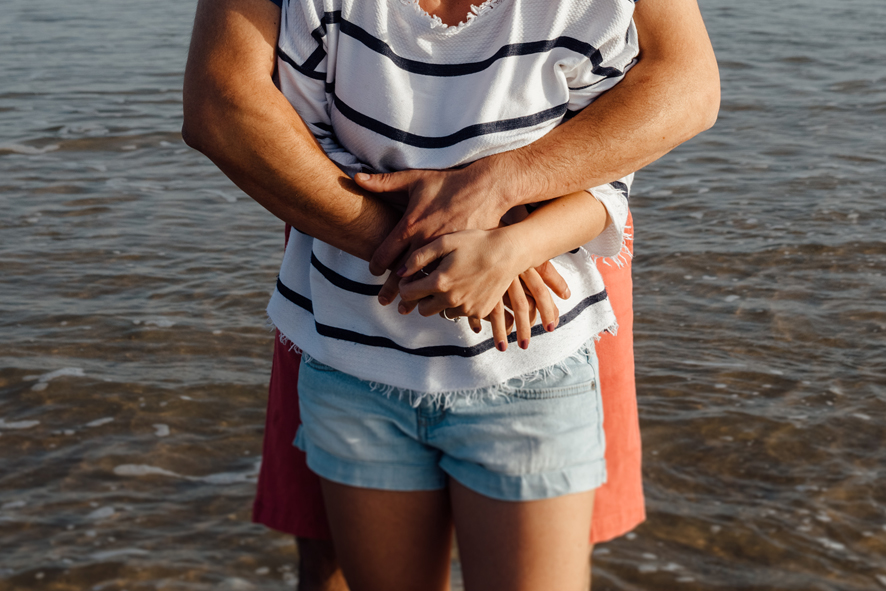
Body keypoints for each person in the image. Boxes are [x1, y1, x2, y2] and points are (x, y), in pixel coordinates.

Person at [182, 0, 719, 588]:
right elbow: (236, 107)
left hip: (530, 350)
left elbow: (654, 112)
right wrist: (443, 252)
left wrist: (508, 226)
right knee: (324, 557)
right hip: (353, 342)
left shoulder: (581, 12)